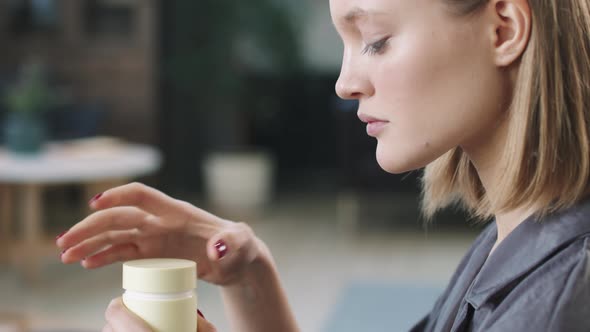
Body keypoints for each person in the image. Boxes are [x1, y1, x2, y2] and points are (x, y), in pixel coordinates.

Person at [56, 0, 590, 331]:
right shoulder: (515, 240)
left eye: (375, 41)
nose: (345, 82)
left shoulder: (556, 304)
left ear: (503, 30)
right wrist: (248, 273)